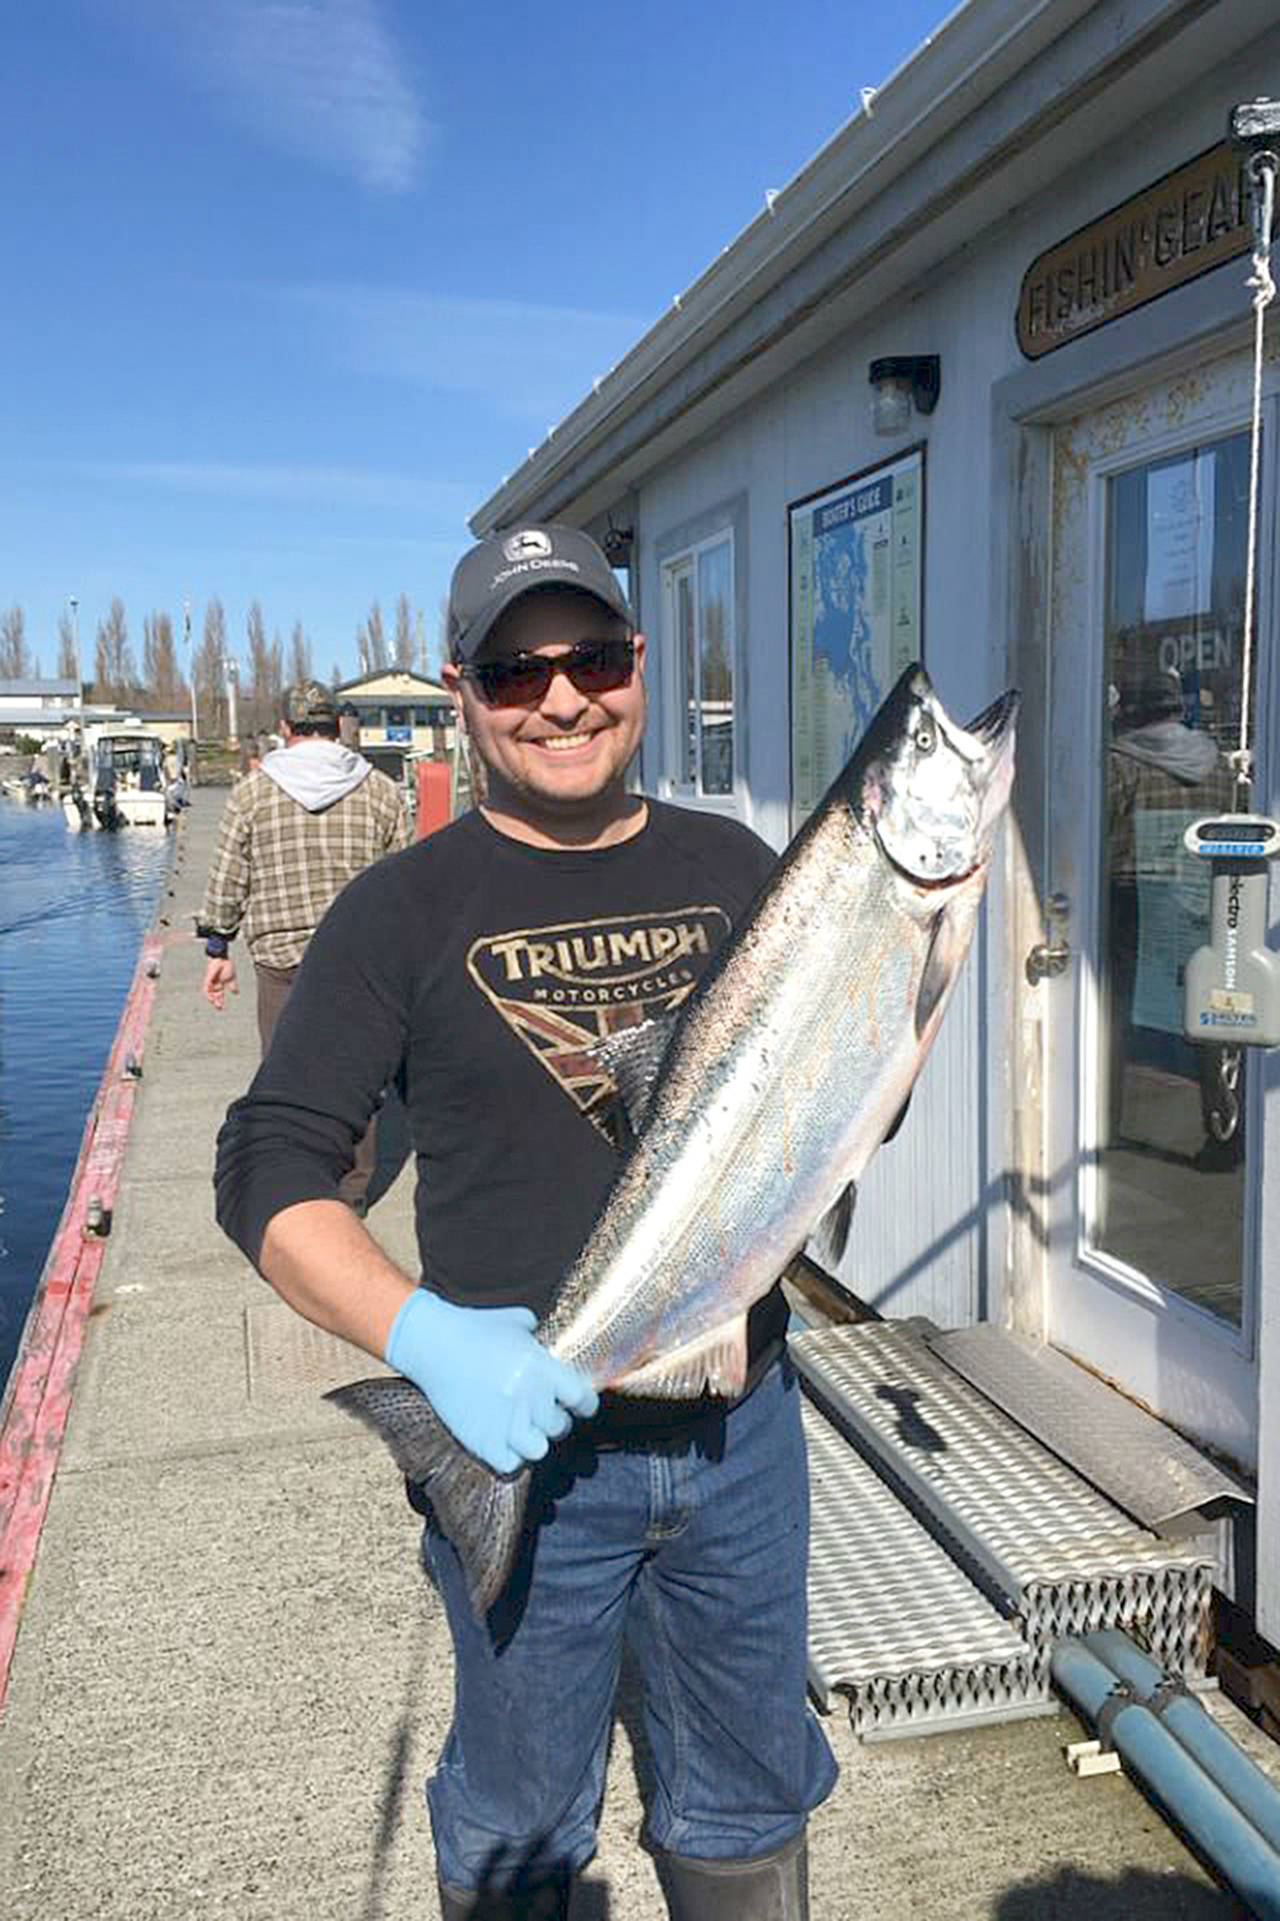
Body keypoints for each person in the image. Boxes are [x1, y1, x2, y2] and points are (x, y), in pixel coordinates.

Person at [213, 526, 836, 1920]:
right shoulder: (402, 910)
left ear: (640, 663)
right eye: (516, 671)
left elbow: (830, 1108)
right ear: (462, 693)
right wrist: (423, 1336)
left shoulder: (736, 866)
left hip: (743, 1434)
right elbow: (267, 1165)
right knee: (518, 1821)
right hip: (536, 1458)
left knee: (752, 1791)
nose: (563, 698)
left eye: (594, 658)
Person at [197, 678, 411, 1211]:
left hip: (281, 961)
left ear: (286, 729)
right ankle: (354, 1192)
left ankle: (299, 1186)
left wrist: (217, 947)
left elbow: (229, 876)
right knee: (362, 1078)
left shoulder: (252, 792)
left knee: (288, 1076)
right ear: (338, 727)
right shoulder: (380, 790)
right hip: (362, 963)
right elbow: (408, 882)